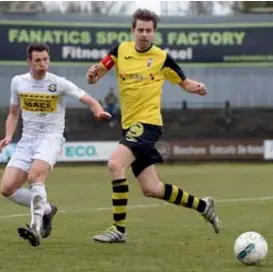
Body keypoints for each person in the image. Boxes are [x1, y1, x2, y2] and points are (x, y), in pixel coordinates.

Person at [86, 8, 220, 243]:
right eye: (140, 30)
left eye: (149, 31)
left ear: (154, 33)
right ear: (133, 30)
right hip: (130, 127)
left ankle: (119, 230)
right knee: (152, 188)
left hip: (148, 124)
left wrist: (197, 87)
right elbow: (96, 75)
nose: (144, 34)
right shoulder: (120, 51)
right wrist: (92, 75)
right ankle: (203, 205)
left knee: (115, 163)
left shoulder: (162, 58)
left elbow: (184, 83)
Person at [0, 43, 111, 247]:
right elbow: (14, 113)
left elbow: (89, 99)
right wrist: (7, 136)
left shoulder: (58, 83)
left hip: (51, 138)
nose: (43, 64)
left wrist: (98, 110)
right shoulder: (18, 82)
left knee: (35, 177)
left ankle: (35, 226)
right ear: (29, 62)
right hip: (27, 140)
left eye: (45, 60)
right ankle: (48, 210)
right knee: (7, 188)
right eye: (38, 60)